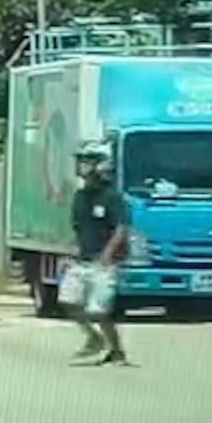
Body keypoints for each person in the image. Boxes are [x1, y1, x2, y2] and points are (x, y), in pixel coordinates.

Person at [67, 141, 131, 365]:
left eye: (87, 161)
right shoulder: (79, 196)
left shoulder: (112, 197)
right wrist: (72, 252)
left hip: (105, 262)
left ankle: (116, 350)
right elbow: (77, 228)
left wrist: (108, 253)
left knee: (99, 311)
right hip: (82, 260)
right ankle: (93, 338)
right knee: (69, 302)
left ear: (100, 165)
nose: (81, 165)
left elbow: (122, 228)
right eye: (81, 161)